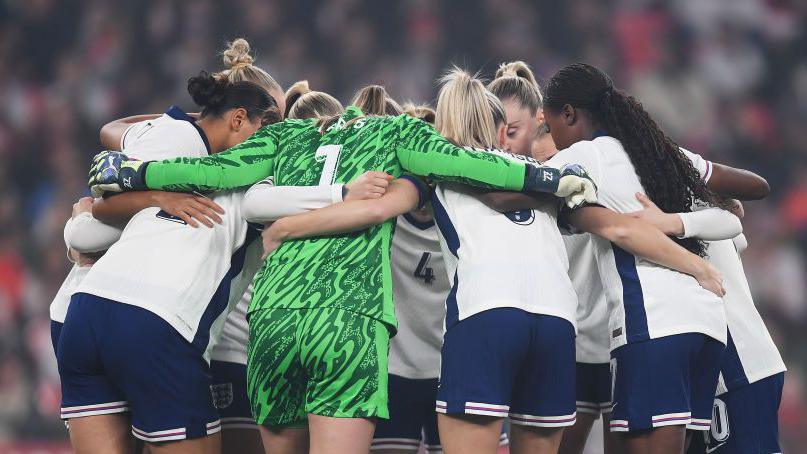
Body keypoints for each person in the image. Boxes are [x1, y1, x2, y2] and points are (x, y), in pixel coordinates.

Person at [86, 82, 597, 454]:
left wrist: (134, 171)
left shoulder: (283, 137)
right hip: (347, 318)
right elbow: (473, 165)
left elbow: (213, 171)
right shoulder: (399, 133)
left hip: (275, 317)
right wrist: (555, 180)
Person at [58, 71, 280, 454]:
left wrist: (141, 201)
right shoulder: (252, 177)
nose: (270, 141)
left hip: (83, 311)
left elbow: (88, 228)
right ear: (238, 118)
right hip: (156, 322)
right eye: (268, 128)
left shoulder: (174, 157)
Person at [541, 63, 728, 454]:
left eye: (549, 122)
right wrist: (679, 226)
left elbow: (528, 180)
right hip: (706, 324)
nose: (551, 136)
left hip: (653, 322)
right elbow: (732, 217)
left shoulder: (586, 154)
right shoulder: (658, 155)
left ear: (569, 113)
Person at [626, 153, 785, 454]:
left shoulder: (670, 202)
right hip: (736, 365)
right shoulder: (688, 199)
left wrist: (673, 220)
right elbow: (738, 235)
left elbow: (732, 224)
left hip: (737, 367)